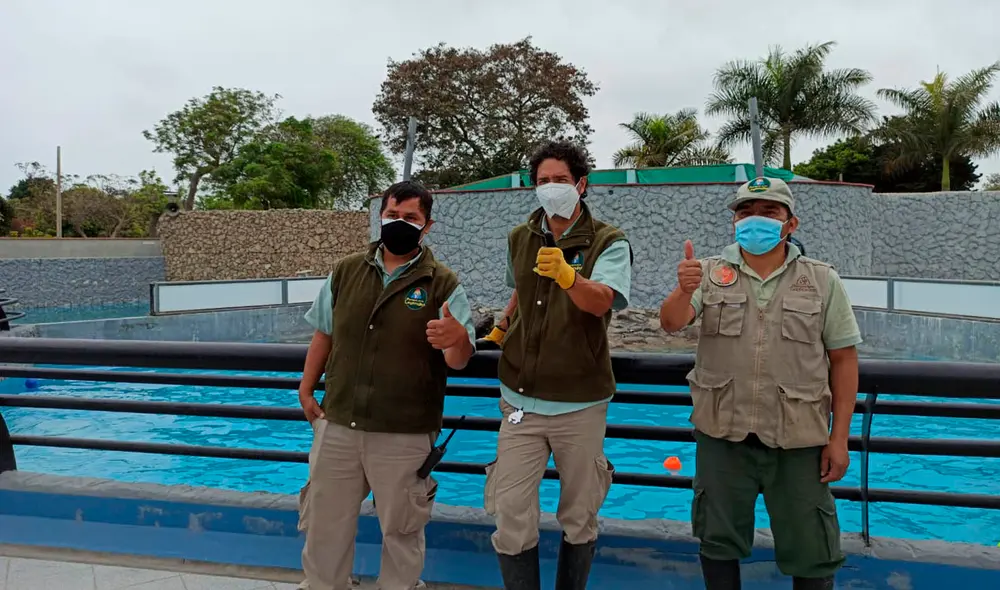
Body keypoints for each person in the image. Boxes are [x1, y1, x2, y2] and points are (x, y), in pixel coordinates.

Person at [658, 177, 860, 590]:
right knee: (718, 543)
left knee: (813, 550)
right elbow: (671, 323)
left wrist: (839, 438)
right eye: (745, 211)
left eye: (769, 212)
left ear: (791, 224)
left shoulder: (822, 280)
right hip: (722, 436)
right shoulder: (711, 273)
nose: (755, 220)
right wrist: (683, 289)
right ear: (733, 221)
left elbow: (843, 359)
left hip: (800, 441)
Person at [297, 180, 477, 590]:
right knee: (324, 525)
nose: (399, 223)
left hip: (405, 431)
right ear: (381, 215)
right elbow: (324, 333)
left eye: (411, 217)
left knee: (402, 532)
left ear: (427, 225)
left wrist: (458, 339)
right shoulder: (346, 271)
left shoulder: (443, 283)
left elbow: (459, 360)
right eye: (393, 214)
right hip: (339, 421)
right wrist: (306, 389)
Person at [486, 140, 632, 590]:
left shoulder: (609, 241)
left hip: (580, 401)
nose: (551, 188)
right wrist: (503, 323)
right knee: (509, 508)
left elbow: (603, 301)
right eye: (543, 181)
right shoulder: (520, 236)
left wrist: (571, 277)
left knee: (579, 512)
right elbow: (520, 288)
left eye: (561, 180)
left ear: (581, 185)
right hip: (519, 400)